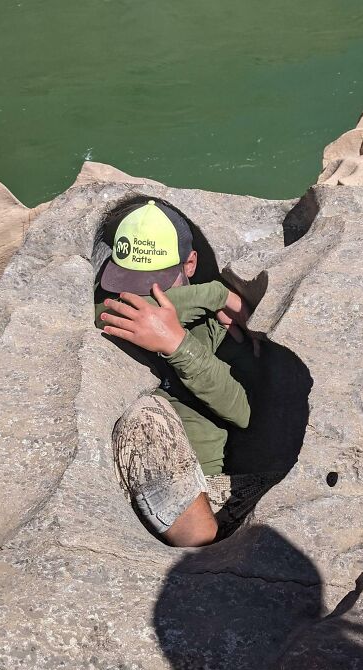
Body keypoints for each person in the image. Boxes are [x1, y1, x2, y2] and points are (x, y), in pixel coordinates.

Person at [95, 199, 278, 547]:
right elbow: (110, 310)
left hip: (216, 490)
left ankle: (199, 535)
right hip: (153, 490)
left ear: (190, 264)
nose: (139, 296)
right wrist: (216, 294)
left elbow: (244, 411)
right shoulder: (114, 308)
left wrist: (178, 345)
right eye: (129, 281)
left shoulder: (222, 328)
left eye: (156, 283)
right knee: (144, 416)